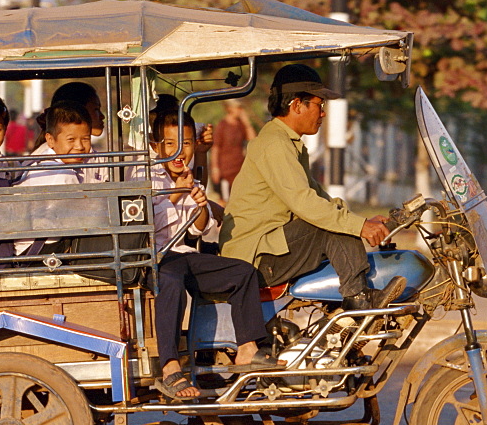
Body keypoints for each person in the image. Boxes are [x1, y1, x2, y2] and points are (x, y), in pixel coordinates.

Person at [219, 63, 405, 310]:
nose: (323, 114)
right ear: (297, 105)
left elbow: (320, 199)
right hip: (255, 259)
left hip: (271, 249)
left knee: (335, 220)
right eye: (320, 105)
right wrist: (357, 226)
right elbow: (306, 204)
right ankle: (357, 298)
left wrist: (364, 222)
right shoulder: (274, 143)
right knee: (329, 225)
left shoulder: (289, 143)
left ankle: (338, 314)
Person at [144, 110, 277, 400]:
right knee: (170, 281)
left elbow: (201, 231)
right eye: (169, 144)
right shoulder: (147, 178)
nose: (179, 151)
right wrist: (178, 193)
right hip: (155, 258)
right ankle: (169, 366)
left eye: (187, 144)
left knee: (243, 273)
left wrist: (202, 205)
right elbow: (147, 226)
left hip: (183, 254)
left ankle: (247, 348)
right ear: (156, 147)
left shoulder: (192, 179)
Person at [13, 102, 93, 256]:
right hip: (42, 249)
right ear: (50, 140)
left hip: (28, 248)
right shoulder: (62, 172)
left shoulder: (40, 163)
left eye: (85, 139)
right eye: (71, 140)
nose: (80, 146)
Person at [210, 99, 256, 204]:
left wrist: (246, 122)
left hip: (239, 167)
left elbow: (253, 139)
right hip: (225, 168)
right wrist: (215, 168)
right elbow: (215, 148)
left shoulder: (240, 125)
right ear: (229, 108)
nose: (240, 110)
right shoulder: (222, 125)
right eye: (238, 108)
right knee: (225, 199)